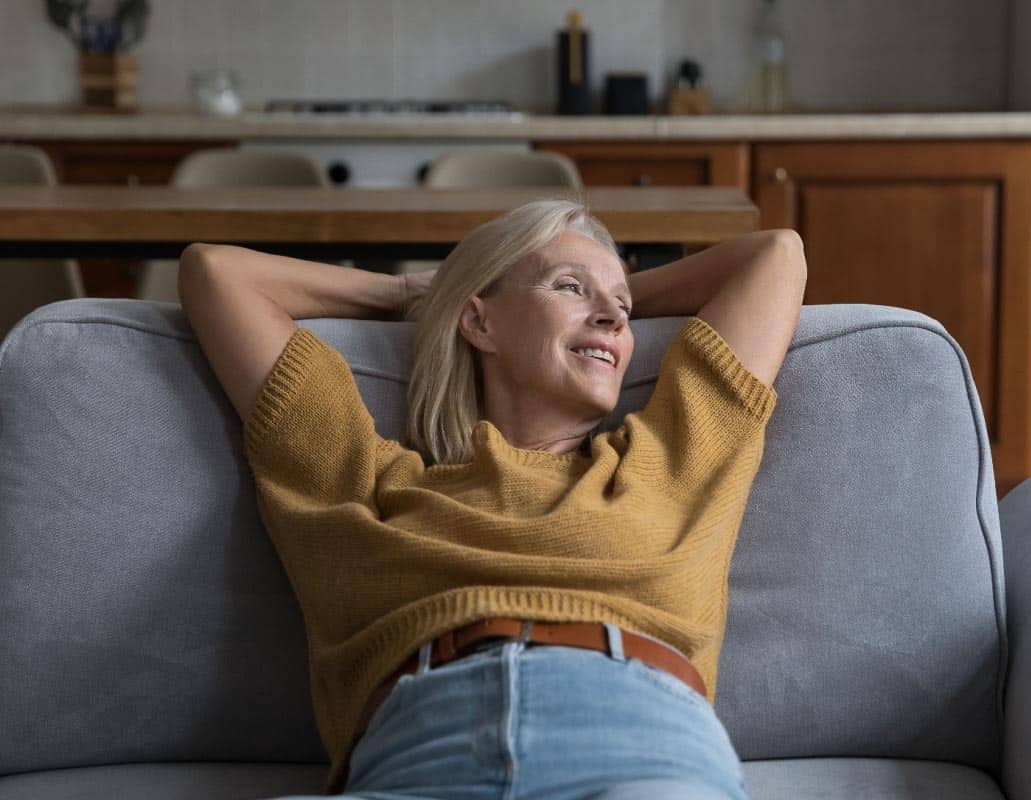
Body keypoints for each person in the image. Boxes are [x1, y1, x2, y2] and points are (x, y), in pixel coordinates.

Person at [178, 199, 806, 800]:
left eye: (623, 305)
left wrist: (603, 302)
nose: (614, 318)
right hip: (421, 750)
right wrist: (415, 294)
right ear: (479, 321)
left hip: (638, 739)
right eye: (569, 286)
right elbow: (215, 272)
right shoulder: (368, 485)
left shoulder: (669, 463)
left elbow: (776, 256)